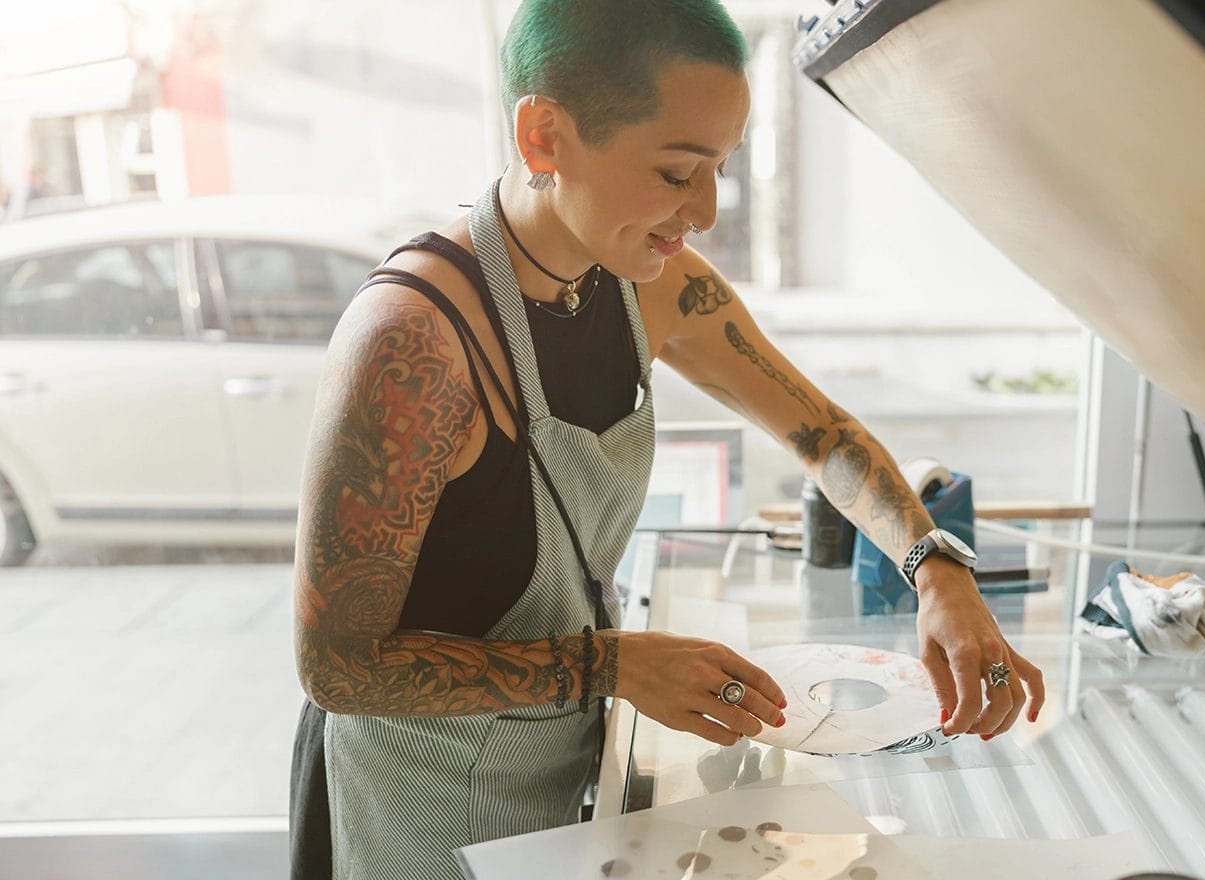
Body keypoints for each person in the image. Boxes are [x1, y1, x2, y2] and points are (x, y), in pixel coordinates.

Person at [290, 1, 1045, 877]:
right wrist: (609, 664)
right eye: (677, 171)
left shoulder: (652, 285)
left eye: (721, 168)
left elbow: (824, 436)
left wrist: (938, 570)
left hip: (566, 767)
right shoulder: (412, 343)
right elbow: (339, 667)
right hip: (418, 809)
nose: (708, 211)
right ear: (544, 138)